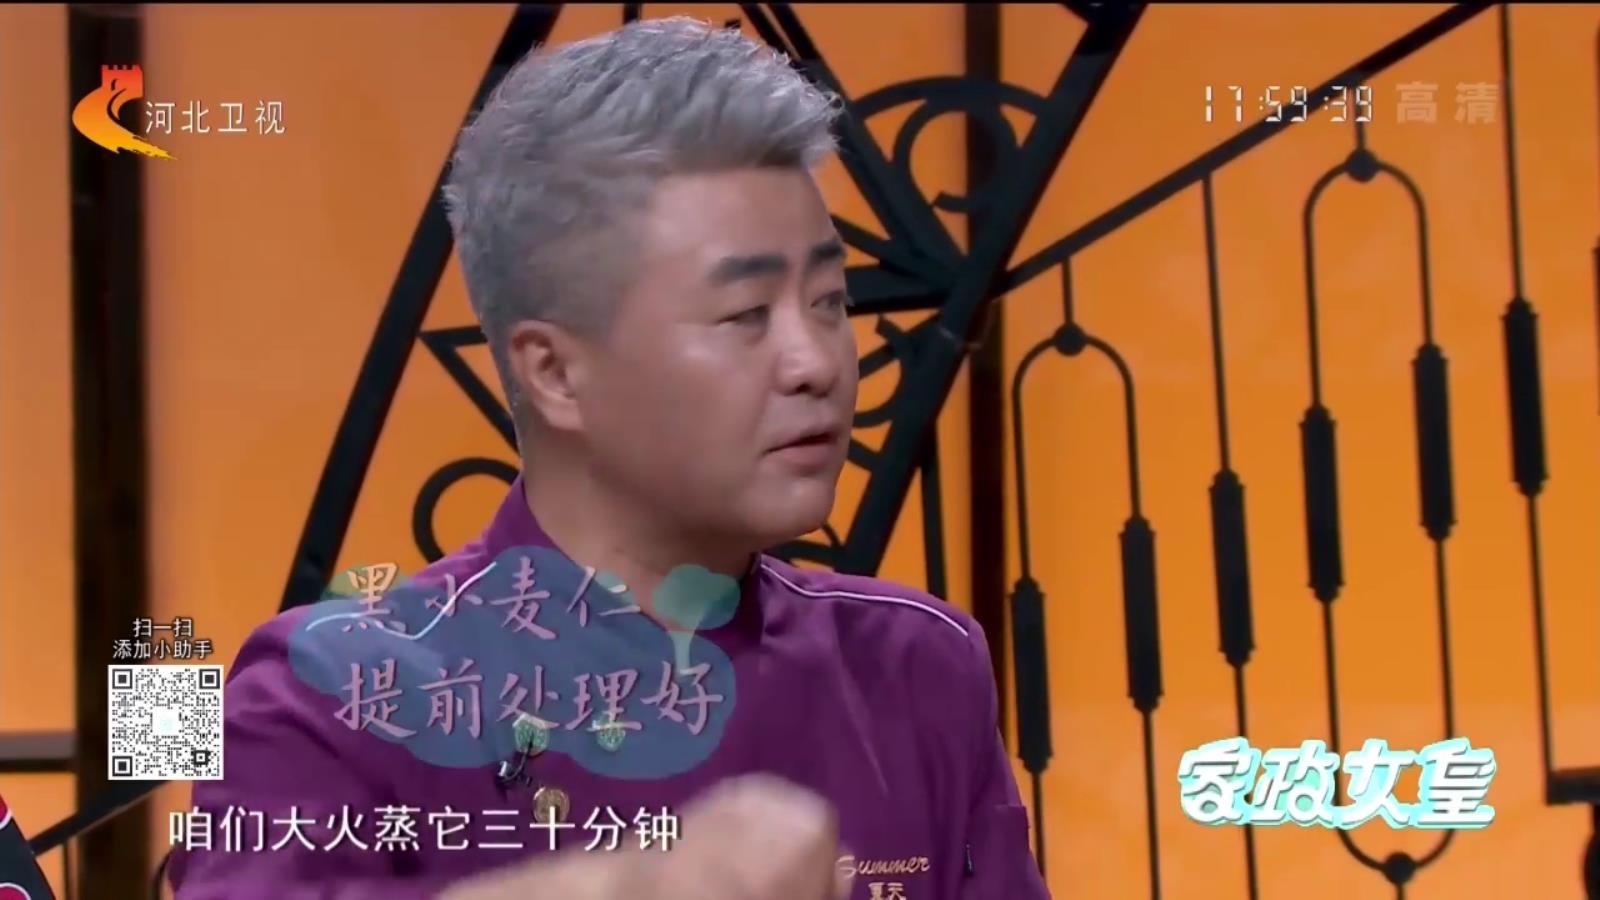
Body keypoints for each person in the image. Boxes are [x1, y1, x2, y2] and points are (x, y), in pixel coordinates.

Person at [168, 16, 1047, 900]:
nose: (816, 362)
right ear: (554, 373)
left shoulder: (917, 664)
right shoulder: (327, 693)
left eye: (828, 300)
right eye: (746, 314)